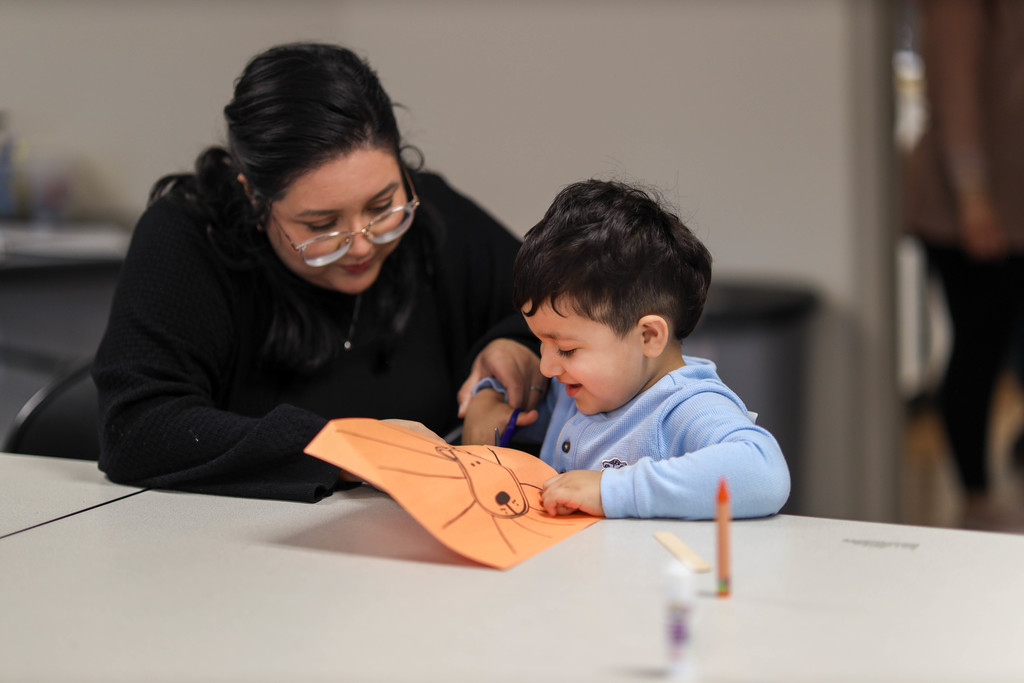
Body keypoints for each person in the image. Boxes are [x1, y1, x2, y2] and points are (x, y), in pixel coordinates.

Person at [92, 42, 546, 502]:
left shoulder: (435, 217)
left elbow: (566, 305)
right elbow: (136, 426)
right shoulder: (189, 237)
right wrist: (343, 449)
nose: (362, 243)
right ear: (253, 197)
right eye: (321, 225)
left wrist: (517, 343)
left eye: (382, 206)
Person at [464, 180, 791, 519]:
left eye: (567, 349)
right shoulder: (573, 392)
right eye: (542, 343)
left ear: (649, 336)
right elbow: (513, 415)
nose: (547, 367)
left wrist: (612, 490)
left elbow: (763, 471)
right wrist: (490, 398)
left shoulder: (684, 405)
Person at [903, 0, 1024, 529]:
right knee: (979, 346)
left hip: (1010, 201)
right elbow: (955, 89)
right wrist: (974, 197)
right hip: (971, 209)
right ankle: (976, 498)